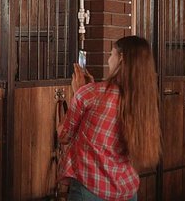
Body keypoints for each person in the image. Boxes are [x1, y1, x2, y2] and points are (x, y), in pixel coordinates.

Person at [57, 36, 162, 201]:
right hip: (127, 191)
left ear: (121, 59)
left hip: (90, 190)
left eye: (111, 54)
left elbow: (64, 135)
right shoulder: (144, 104)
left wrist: (78, 93)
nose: (108, 60)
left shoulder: (90, 93)